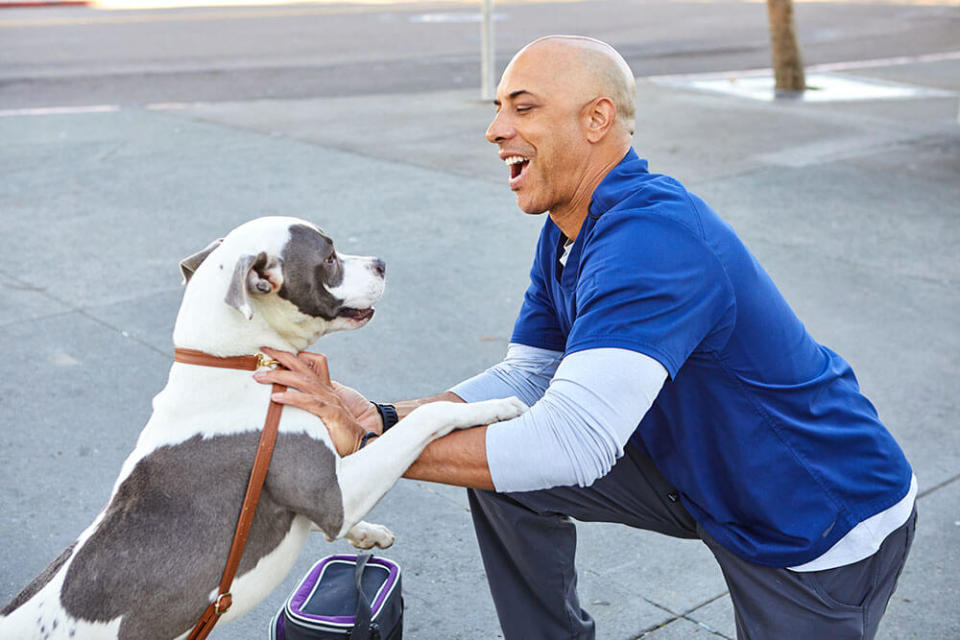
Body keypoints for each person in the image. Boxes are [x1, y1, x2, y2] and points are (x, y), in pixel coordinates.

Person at [255, 35, 916, 640]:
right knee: (503, 472)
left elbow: (571, 444)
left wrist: (374, 442)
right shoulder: (571, 230)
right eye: (498, 108)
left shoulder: (653, 240)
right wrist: (389, 415)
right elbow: (526, 380)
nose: (495, 130)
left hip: (812, 515)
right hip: (699, 470)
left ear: (596, 120)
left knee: (526, 454)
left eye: (524, 108)